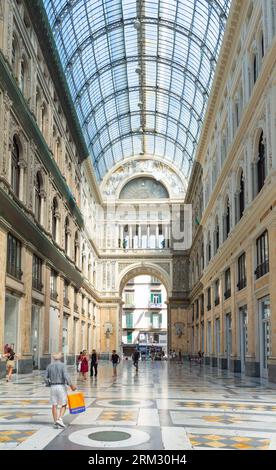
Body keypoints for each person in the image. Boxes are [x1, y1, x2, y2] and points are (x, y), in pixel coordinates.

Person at [45, 352, 76, 429]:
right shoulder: (62, 365)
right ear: (60, 358)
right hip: (61, 386)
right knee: (64, 404)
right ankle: (59, 419)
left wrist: (49, 384)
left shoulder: (49, 366)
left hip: (53, 387)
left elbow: (45, 378)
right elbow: (66, 376)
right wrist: (71, 385)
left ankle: (55, 422)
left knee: (54, 405)